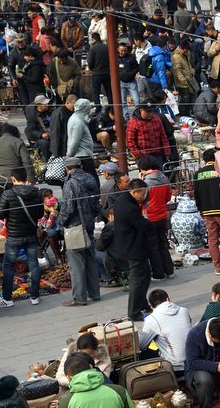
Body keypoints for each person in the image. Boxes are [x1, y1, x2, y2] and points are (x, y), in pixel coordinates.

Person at [0, 168, 44, 308]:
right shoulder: (36, 192)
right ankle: (35, 296)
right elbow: (39, 214)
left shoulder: (8, 194)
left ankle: (7, 298)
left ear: (13, 179)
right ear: (26, 178)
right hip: (30, 234)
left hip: (14, 236)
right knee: (33, 264)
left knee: (8, 266)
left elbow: (0, 214)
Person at [59, 156, 103, 307]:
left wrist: (60, 221)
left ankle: (79, 297)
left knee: (76, 264)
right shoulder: (90, 178)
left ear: (67, 168)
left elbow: (68, 207)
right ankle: (95, 293)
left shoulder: (70, 182)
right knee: (90, 259)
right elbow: (96, 201)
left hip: (75, 226)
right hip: (89, 223)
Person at [112, 179, 156, 322]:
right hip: (133, 247)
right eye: (142, 193)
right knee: (138, 279)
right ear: (134, 192)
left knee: (145, 275)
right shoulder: (129, 207)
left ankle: (143, 304)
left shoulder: (122, 200)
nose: (144, 196)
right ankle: (134, 311)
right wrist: (150, 222)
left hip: (130, 244)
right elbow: (143, 225)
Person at [140, 289, 194, 372]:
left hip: (176, 367)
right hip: (194, 359)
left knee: (142, 355)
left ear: (151, 307)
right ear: (168, 299)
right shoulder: (183, 310)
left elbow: (142, 346)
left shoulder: (152, 319)